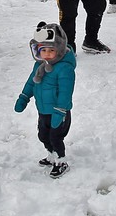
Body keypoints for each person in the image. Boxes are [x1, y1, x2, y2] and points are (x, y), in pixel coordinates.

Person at [13, 22, 76, 178]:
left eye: (51, 50)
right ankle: (51, 155)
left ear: (59, 50)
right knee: (43, 136)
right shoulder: (39, 65)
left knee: (56, 137)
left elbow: (65, 92)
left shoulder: (64, 68)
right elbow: (31, 82)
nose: (47, 54)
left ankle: (61, 161)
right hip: (43, 110)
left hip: (58, 111)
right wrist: (24, 96)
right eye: (43, 50)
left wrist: (60, 110)